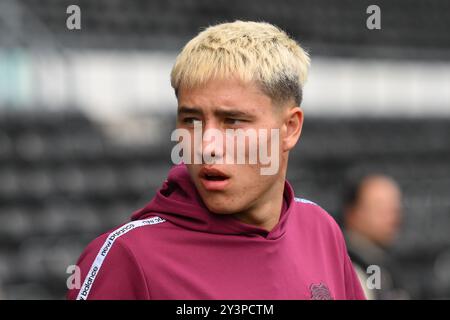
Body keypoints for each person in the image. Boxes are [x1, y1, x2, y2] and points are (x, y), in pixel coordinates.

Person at [67, 21, 365, 300]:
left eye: (233, 121)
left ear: (289, 128)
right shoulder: (127, 257)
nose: (206, 144)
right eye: (191, 120)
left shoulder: (321, 229)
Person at [342, 174, 408, 299]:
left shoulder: (380, 261)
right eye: (380, 208)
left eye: (395, 209)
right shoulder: (347, 266)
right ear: (352, 213)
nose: (393, 218)